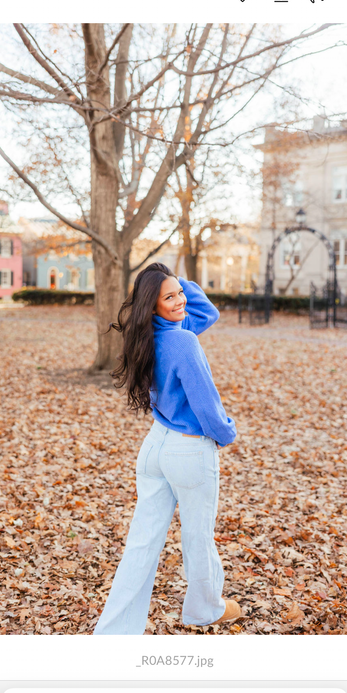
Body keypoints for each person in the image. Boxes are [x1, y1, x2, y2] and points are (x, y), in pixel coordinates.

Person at [93, 262, 241, 635]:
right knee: (197, 535)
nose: (179, 302)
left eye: (180, 294)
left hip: (155, 447)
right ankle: (205, 609)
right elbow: (206, 405)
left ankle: (113, 634)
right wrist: (226, 434)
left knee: (141, 543)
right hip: (189, 450)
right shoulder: (183, 341)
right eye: (169, 297)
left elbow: (208, 312)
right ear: (152, 305)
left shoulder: (150, 336)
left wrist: (167, 279)